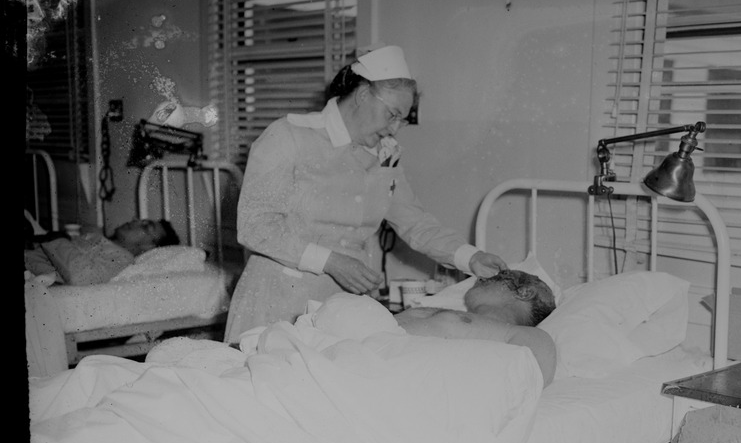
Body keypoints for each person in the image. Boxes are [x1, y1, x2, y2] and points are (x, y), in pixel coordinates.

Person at [224, 44, 508, 344]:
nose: (395, 129)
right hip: (278, 301)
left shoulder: (385, 155)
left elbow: (414, 221)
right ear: (362, 95)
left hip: (343, 308)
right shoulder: (290, 136)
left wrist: (471, 257)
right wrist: (331, 261)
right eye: (393, 114)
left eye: (403, 120)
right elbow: (255, 225)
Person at [394, 269, 557, 385]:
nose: (480, 278)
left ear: (524, 292)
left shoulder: (536, 340)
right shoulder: (442, 312)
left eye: (501, 275)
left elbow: (519, 387)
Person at [25, 218, 181, 286]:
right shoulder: (97, 238)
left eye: (146, 227)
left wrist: (57, 239)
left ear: (149, 247)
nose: (135, 221)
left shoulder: (122, 257)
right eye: (140, 220)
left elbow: (81, 276)